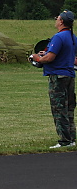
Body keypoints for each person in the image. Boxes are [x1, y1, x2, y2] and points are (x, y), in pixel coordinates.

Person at [31, 10, 77, 148]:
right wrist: (45, 53)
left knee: (59, 109)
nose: (56, 20)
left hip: (58, 77)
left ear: (61, 21)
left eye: (57, 18)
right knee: (69, 108)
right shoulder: (73, 37)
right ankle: (71, 138)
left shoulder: (58, 37)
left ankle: (64, 141)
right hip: (69, 76)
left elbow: (50, 58)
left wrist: (37, 57)